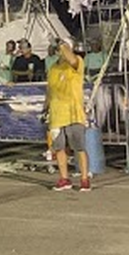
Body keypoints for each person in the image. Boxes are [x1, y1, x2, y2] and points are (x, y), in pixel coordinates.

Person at [46, 38, 89, 192]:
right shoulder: (53, 68)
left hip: (74, 112)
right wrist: (46, 108)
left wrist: (64, 45)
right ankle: (64, 178)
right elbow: (49, 90)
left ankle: (84, 178)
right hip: (57, 114)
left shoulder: (77, 62)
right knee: (59, 148)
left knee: (79, 147)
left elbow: (71, 58)